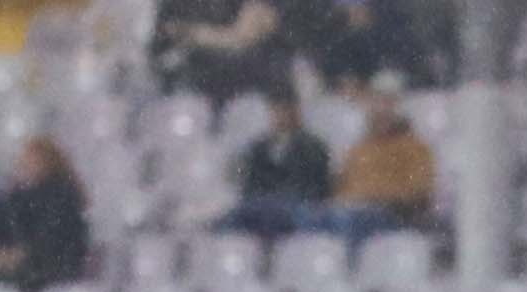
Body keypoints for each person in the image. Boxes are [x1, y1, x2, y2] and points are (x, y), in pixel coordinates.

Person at [306, 88, 434, 238]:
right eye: (376, 105)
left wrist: (373, 195)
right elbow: (342, 186)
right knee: (312, 219)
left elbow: (418, 190)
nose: (381, 111)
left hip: (391, 213)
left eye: (386, 104)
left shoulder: (414, 147)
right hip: (353, 208)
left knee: (349, 221)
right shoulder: (360, 149)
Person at [218, 88, 335, 237]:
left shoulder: (313, 145)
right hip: (263, 203)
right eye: (276, 110)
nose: (281, 115)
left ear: (295, 112)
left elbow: (316, 183)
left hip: (296, 203)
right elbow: (251, 181)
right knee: (232, 219)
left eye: (285, 110)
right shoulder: (259, 147)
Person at [0, 139, 90, 292]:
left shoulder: (63, 194)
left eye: (31, 160)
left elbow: (56, 236)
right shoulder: (15, 197)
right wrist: (0, 252)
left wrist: (24, 253)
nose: (24, 164)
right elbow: (1, 229)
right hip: (24, 263)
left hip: (56, 264)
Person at [151, 0, 287, 101]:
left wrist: (193, 34)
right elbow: (161, 42)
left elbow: (243, 38)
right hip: (181, 91)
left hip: (242, 91)